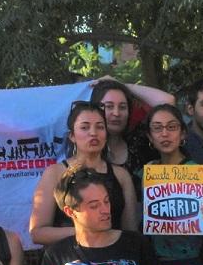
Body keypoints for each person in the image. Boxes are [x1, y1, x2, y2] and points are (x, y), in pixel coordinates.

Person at [29, 101, 139, 246]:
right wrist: (87, 230)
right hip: (70, 260)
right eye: (85, 127)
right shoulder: (55, 173)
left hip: (113, 261)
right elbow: (38, 233)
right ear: (72, 136)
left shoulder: (121, 175)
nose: (93, 133)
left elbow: (131, 233)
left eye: (100, 127)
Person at [137, 104, 203, 265]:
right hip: (152, 262)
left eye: (172, 127)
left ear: (183, 133)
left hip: (192, 263)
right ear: (150, 136)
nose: (165, 133)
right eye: (157, 128)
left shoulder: (198, 174)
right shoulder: (146, 173)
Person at [38, 168, 157, 265]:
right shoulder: (57, 255)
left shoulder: (137, 244)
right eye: (94, 206)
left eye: (106, 201)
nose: (105, 210)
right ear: (70, 211)